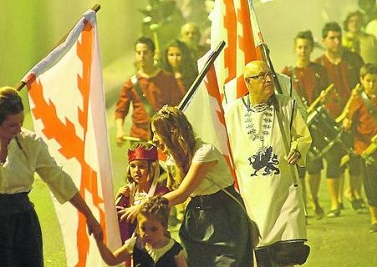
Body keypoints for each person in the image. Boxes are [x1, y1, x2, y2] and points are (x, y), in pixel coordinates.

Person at [121, 105, 254, 267]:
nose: (154, 139)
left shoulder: (204, 153)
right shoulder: (174, 158)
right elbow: (168, 191)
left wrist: (144, 206)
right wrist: (134, 190)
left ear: (174, 132)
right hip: (196, 220)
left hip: (225, 217)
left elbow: (182, 193)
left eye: (157, 133)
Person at [0, 86, 102, 267]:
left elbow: (58, 179)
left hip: (23, 221)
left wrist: (89, 215)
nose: (19, 129)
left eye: (21, 122)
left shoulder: (30, 142)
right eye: (12, 125)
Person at [225, 60, 312, 267]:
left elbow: (303, 137)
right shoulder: (232, 112)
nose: (268, 79)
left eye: (269, 75)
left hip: (284, 192)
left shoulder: (287, 105)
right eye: (261, 76)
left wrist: (297, 150)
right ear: (248, 82)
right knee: (261, 255)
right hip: (252, 196)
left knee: (287, 253)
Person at [341, 63, 377, 232]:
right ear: (362, 80)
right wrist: (347, 123)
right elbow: (348, 122)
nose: (372, 84)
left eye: (374, 80)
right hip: (365, 149)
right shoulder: (357, 100)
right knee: (370, 183)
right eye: (368, 80)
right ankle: (374, 219)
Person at [315, 21, 365, 216]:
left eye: (339, 38)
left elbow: (364, 81)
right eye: (332, 38)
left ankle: (354, 194)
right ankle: (335, 203)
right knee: (334, 159)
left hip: (354, 114)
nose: (336, 42)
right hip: (330, 119)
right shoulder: (318, 65)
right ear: (324, 40)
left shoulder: (353, 60)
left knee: (356, 156)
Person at [281, 30, 329, 219]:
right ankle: (303, 203)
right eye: (299, 47)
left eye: (306, 47)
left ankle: (314, 198)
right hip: (297, 126)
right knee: (299, 166)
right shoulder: (286, 74)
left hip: (315, 123)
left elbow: (327, 93)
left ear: (311, 49)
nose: (303, 51)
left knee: (315, 164)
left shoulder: (319, 71)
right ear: (295, 48)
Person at [115, 37, 183, 146]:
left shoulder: (167, 79)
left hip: (162, 137)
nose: (142, 56)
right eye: (138, 53)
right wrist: (119, 130)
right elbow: (120, 110)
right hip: (139, 138)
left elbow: (177, 106)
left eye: (145, 52)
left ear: (153, 54)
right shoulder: (131, 83)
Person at [96, 196, 187, 267]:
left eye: (153, 229)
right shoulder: (135, 244)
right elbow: (112, 260)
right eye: (143, 228)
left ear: (164, 227)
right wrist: (99, 241)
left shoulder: (174, 249)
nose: (147, 234)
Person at [116, 143, 170, 250]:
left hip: (154, 246)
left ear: (152, 168)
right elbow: (116, 218)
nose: (136, 170)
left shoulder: (161, 192)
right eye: (133, 166)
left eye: (142, 166)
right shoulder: (128, 192)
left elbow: (158, 218)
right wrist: (118, 196)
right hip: (130, 246)